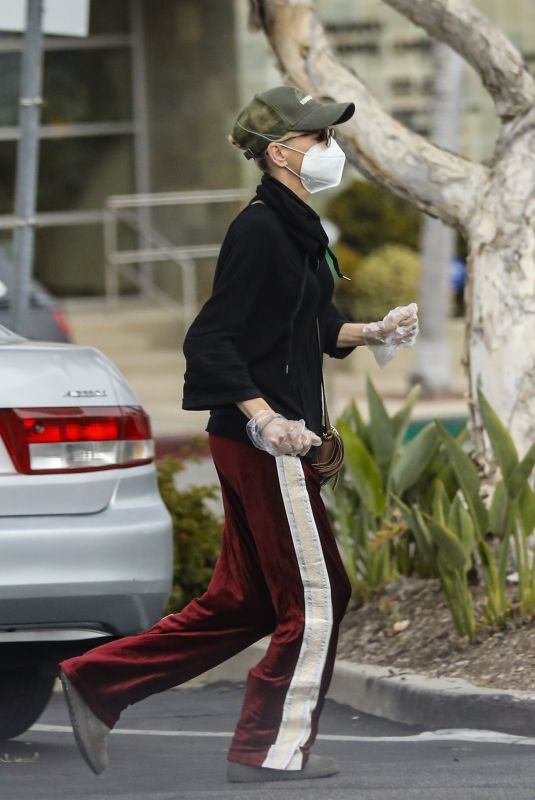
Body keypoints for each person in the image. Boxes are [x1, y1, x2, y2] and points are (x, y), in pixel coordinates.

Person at [58, 85, 419, 784]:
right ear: (280, 149)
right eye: (317, 138)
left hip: (258, 437)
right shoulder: (260, 228)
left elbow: (296, 328)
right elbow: (212, 342)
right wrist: (266, 417)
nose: (329, 149)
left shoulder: (293, 224)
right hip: (266, 442)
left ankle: (98, 682)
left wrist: (369, 331)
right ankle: (268, 749)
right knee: (319, 598)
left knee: (248, 601)